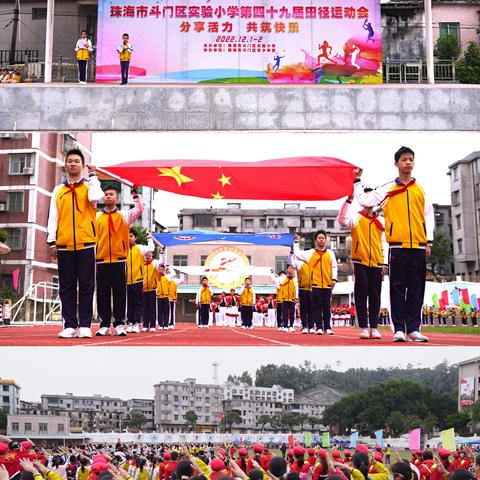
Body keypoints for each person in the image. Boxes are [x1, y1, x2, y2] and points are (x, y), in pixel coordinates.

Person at [354, 146, 434, 343]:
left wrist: (429, 241)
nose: (408, 162)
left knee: (417, 289)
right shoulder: (388, 188)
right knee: (397, 288)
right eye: (404, 159)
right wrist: (357, 181)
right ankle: (398, 328)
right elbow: (364, 199)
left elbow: (428, 216)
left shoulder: (420, 190)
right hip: (397, 247)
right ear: (396, 164)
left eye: (411, 159)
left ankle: (414, 329)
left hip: (418, 245)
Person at [47, 149, 103, 338]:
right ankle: (69, 325)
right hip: (64, 244)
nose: (72, 164)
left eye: (76, 161)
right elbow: (53, 216)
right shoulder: (58, 190)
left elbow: (96, 197)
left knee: (87, 285)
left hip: (86, 243)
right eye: (69, 161)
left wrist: (94, 176)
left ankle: (85, 325)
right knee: (66, 286)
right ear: (65, 165)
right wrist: (51, 241)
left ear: (82, 165)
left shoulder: (89, 186)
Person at [337, 193, 388, 340]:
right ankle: (364, 328)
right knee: (361, 294)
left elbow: (385, 242)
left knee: (375, 295)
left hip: (377, 262)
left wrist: (384, 262)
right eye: (366, 197)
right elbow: (341, 219)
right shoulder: (356, 217)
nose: (369, 201)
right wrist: (348, 200)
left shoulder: (381, 220)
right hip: (360, 261)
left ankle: (374, 327)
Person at [95, 185, 143, 337]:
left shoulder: (124, 215)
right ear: (103, 197)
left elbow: (139, 210)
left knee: (120, 294)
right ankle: (104, 324)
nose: (108, 196)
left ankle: (120, 324)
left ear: (117, 198)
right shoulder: (96, 216)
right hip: (101, 260)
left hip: (120, 260)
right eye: (106, 194)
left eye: (111, 194)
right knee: (102, 293)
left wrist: (135, 195)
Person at [293, 231, 338, 335]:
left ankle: (328, 327)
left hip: (327, 284)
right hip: (315, 285)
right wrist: (295, 243)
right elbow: (298, 254)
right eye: (319, 238)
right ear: (315, 240)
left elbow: (334, 267)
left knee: (327, 307)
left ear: (325, 240)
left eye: (323, 238)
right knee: (317, 307)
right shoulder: (311, 253)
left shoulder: (330, 253)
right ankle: (319, 327)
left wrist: (334, 279)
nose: (321, 239)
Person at [126, 227, 153, 334]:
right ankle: (130, 323)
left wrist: (149, 237)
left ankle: (136, 323)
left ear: (135, 238)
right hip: (127, 281)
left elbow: (151, 247)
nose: (129, 238)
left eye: (131, 236)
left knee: (137, 302)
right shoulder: (123, 249)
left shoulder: (140, 248)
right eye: (127, 236)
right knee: (129, 303)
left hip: (138, 280)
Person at [279, 265, 298, 332]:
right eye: (289, 268)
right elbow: (279, 283)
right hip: (285, 298)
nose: (290, 270)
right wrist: (287, 278)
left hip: (292, 299)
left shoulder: (295, 279)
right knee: (285, 313)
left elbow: (296, 288)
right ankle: (285, 326)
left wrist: (296, 298)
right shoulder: (283, 278)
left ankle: (291, 326)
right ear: (287, 270)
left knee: (292, 313)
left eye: (292, 269)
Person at [156, 264, 171, 331]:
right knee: (159, 312)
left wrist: (168, 267)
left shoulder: (167, 277)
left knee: (166, 311)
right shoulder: (156, 277)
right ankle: (160, 325)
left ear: (164, 270)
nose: (161, 270)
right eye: (160, 269)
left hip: (165, 296)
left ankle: (166, 325)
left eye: (162, 269)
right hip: (159, 297)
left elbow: (172, 274)